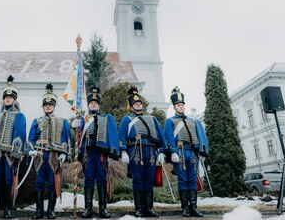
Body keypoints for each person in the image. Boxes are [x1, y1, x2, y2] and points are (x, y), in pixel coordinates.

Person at [0, 75, 27, 219]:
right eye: (5, 97)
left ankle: (7, 209)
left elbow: (20, 136)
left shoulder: (19, 116)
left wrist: (16, 153)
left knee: (8, 179)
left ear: (14, 100)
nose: (7, 99)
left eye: (10, 97)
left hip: (9, 153)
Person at [119, 86, 167, 218]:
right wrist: (123, 152)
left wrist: (162, 151)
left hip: (151, 151)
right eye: (135, 103)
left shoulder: (152, 119)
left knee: (149, 180)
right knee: (138, 179)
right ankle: (139, 208)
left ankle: (148, 208)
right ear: (131, 106)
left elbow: (161, 136)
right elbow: (121, 136)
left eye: (139, 103)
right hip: (135, 150)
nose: (138, 105)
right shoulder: (126, 120)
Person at [73, 85, 120, 219]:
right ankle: (88, 209)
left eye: (95, 103)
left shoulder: (107, 118)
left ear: (98, 105)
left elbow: (112, 134)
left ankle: (103, 209)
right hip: (87, 152)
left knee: (101, 179)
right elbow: (77, 135)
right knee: (88, 179)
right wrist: (75, 124)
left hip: (101, 153)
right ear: (88, 106)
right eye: (91, 103)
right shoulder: (82, 118)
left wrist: (112, 153)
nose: (93, 105)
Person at [28, 83, 71, 219]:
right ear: (42, 106)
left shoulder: (62, 121)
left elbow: (67, 139)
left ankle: (51, 211)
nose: (48, 106)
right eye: (45, 105)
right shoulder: (37, 120)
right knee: (39, 183)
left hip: (54, 155)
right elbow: (30, 138)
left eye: (50, 105)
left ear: (54, 106)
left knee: (53, 183)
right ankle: (39, 211)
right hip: (40, 155)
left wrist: (64, 153)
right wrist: (30, 149)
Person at [164, 87, 209, 218]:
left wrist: (202, 152)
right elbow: (168, 137)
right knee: (182, 180)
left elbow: (201, 135)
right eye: (178, 105)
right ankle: (185, 208)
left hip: (193, 153)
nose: (181, 107)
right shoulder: (170, 121)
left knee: (193, 179)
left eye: (182, 105)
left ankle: (194, 207)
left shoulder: (193, 121)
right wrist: (172, 152)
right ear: (174, 107)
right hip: (179, 152)